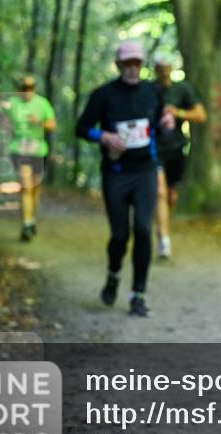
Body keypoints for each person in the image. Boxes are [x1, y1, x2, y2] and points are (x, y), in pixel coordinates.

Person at [75, 40, 175, 317]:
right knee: (120, 236)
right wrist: (103, 136)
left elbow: (160, 126)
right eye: (127, 63)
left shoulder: (152, 93)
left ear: (142, 66)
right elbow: (81, 128)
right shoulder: (103, 95)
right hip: (116, 174)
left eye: (137, 63)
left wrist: (167, 125)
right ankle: (113, 274)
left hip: (145, 171)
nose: (132, 68)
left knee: (143, 230)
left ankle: (138, 295)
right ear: (119, 65)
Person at [153, 54, 206, 259]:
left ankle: (163, 224)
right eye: (160, 67)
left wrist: (178, 113)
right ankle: (164, 239)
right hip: (154, 148)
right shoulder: (149, 90)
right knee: (160, 193)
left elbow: (201, 115)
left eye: (167, 67)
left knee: (172, 196)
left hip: (176, 149)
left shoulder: (183, 89)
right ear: (156, 68)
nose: (164, 71)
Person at [6, 76, 56, 241]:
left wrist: (39, 122)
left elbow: (52, 125)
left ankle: (31, 219)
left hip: (38, 151)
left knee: (35, 188)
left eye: (30, 88)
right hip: (19, 150)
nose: (27, 91)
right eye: (24, 88)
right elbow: (3, 122)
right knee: (26, 187)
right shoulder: (12, 103)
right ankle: (27, 224)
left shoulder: (42, 103)